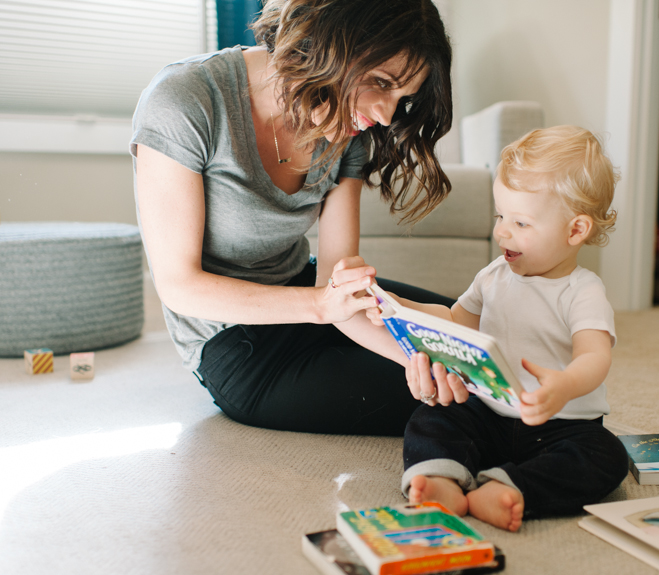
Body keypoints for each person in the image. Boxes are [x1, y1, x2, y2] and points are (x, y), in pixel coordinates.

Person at [131, 0, 454, 436]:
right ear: (329, 41)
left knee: (478, 337)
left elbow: (335, 283)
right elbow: (179, 287)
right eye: (381, 83)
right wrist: (322, 307)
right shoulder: (186, 99)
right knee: (467, 404)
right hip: (238, 345)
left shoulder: (346, 127)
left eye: (403, 99)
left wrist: (420, 357)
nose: (386, 115)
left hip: (309, 298)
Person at [368, 126, 629, 531]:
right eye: (500, 215)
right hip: (486, 412)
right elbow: (455, 320)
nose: (502, 231)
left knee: (605, 457)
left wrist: (563, 385)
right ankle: (442, 479)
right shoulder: (494, 275)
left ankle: (511, 487)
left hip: (561, 427)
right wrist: (402, 308)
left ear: (575, 230)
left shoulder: (583, 291)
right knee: (432, 417)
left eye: (521, 222)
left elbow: (595, 356)